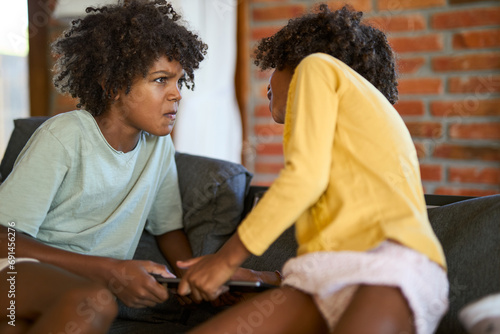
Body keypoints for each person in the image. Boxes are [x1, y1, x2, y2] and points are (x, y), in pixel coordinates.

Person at [177, 5, 449, 334]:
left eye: (277, 66)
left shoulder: (316, 66)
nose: (269, 83)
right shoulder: (352, 146)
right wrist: (264, 278)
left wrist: (223, 261)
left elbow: (303, 179)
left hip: (388, 267)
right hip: (322, 276)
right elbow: (334, 245)